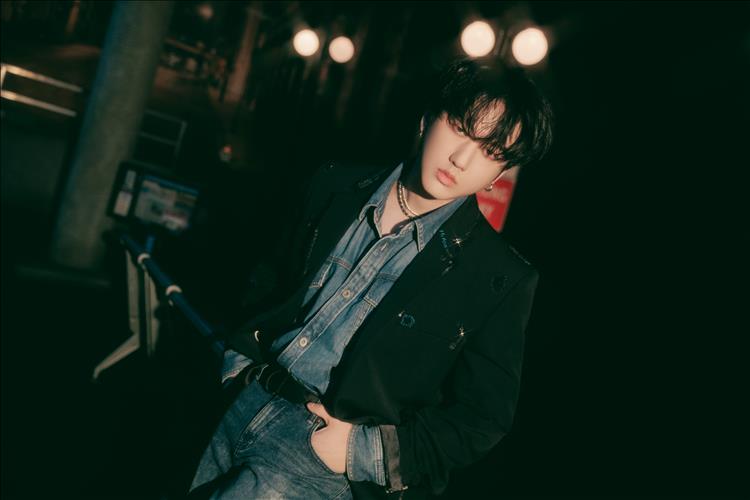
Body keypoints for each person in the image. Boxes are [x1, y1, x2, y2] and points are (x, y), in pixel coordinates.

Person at [187, 58, 554, 499]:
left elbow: (481, 418)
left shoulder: (497, 276)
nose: (461, 159)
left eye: (491, 152)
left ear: (499, 174)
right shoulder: (334, 184)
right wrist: (238, 361)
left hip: (316, 460)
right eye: (460, 128)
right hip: (241, 401)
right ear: (427, 119)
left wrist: (362, 451)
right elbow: (269, 274)